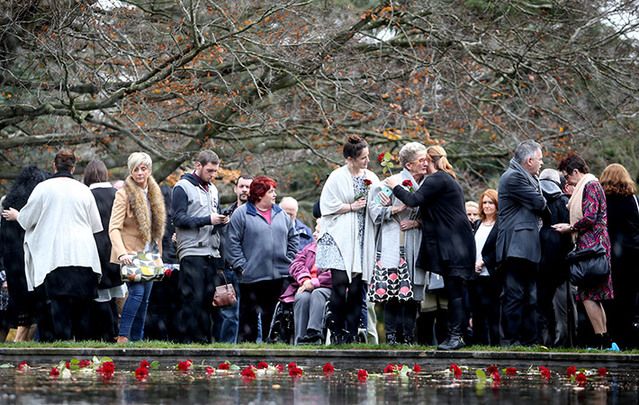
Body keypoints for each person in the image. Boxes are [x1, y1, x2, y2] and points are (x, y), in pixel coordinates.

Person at [2, 150, 103, 341]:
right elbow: (95, 225)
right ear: (73, 168)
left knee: (60, 308)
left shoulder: (43, 188)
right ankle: (83, 357)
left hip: (55, 259)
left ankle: (61, 352)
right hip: (84, 257)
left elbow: (27, 219)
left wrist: (17, 216)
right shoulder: (83, 190)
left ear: (54, 166)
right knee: (82, 312)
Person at [386, 145, 475, 350]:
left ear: (431, 160)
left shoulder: (438, 179)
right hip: (455, 244)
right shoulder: (441, 180)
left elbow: (414, 200)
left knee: (456, 293)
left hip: (456, 245)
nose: (423, 163)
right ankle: (456, 336)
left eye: (425, 159)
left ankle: (456, 336)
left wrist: (394, 186)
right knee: (455, 291)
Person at [317, 135, 378, 344]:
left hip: (362, 237)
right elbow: (326, 206)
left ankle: (352, 332)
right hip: (340, 237)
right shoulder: (337, 177)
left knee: (356, 287)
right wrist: (351, 207)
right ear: (350, 159)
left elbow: (377, 200)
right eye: (363, 158)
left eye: (367, 157)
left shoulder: (370, 176)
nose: (367, 161)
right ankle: (336, 330)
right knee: (340, 283)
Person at [368, 142, 428, 345]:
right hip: (392, 239)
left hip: (416, 239)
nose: (426, 163)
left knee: (413, 292)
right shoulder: (388, 184)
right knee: (393, 292)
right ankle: (392, 337)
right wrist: (395, 209)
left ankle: (409, 336)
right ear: (409, 165)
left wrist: (417, 222)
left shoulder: (428, 184)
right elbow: (374, 212)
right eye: (421, 160)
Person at [225, 176, 298, 342]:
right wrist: (242, 266)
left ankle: (273, 357)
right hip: (251, 278)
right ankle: (246, 360)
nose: (274, 194)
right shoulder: (241, 214)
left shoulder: (281, 214)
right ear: (259, 194)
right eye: (271, 191)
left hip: (278, 277)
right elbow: (232, 243)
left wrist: (290, 259)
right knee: (248, 323)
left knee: (272, 322)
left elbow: (293, 238)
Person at [553, 154, 615, 349]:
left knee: (588, 295)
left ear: (575, 172)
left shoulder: (589, 185)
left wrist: (569, 227)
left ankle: (601, 341)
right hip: (597, 246)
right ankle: (605, 340)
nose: (566, 181)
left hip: (591, 248)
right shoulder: (593, 185)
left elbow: (589, 217)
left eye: (567, 176)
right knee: (595, 295)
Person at [172, 150, 228, 343]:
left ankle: (205, 340)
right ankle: (188, 340)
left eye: (215, 172)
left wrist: (220, 220)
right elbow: (178, 218)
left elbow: (213, 217)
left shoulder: (213, 190)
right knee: (192, 298)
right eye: (209, 170)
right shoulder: (182, 187)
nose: (212, 175)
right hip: (192, 250)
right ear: (198, 166)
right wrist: (208, 219)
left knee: (208, 300)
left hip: (211, 251)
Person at [109, 152, 166, 343]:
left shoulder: (154, 193)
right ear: (130, 171)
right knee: (137, 292)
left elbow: (157, 228)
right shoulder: (123, 193)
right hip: (131, 254)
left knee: (145, 298)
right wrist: (121, 253)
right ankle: (123, 336)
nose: (140, 173)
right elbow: (114, 228)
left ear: (149, 170)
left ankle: (137, 339)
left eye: (143, 168)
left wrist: (159, 255)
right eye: (136, 169)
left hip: (150, 253)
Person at [496, 140, 547, 346]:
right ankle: (511, 339)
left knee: (528, 296)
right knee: (515, 295)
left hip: (524, 246)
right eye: (540, 159)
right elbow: (539, 202)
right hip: (516, 246)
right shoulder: (514, 177)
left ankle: (527, 339)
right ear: (529, 160)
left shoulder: (524, 176)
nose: (541, 164)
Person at [0, 166, 48, 341]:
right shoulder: (35, 206)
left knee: (15, 309)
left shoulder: (8, 203)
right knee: (30, 311)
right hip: (29, 263)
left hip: (12, 264)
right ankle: (20, 342)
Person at [83, 160, 127, 341]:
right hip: (116, 249)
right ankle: (114, 333)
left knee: (99, 296)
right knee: (113, 293)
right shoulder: (117, 194)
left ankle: (105, 334)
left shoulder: (85, 195)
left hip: (93, 249)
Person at [600, 163, 639, 348]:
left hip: (610, 254)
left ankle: (611, 337)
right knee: (629, 298)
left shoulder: (603, 201)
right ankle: (629, 338)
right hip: (631, 254)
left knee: (610, 297)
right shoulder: (632, 200)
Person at [279, 219, 332, 344]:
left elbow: (334, 274)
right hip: (306, 285)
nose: (313, 234)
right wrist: (305, 279)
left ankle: (314, 334)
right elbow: (296, 264)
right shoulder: (310, 248)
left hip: (327, 287)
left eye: (318, 231)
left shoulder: (334, 250)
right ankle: (301, 339)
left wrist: (314, 283)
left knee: (317, 293)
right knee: (302, 297)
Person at [538, 168, 574, 347]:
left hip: (541, 261)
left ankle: (545, 340)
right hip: (560, 263)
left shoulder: (537, 202)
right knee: (561, 308)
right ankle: (562, 340)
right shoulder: (564, 202)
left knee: (543, 305)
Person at [215, 174, 253, 343]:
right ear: (235, 188)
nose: (244, 190)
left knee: (252, 314)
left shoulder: (257, 214)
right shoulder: (224, 215)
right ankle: (226, 351)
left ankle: (254, 350)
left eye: (248, 187)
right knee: (228, 314)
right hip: (227, 270)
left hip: (249, 270)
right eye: (242, 186)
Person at [469, 189, 501, 346]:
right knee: (477, 311)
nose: (487, 206)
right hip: (476, 275)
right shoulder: (477, 224)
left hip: (492, 274)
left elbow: (500, 248)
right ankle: (478, 342)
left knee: (493, 311)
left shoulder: (501, 225)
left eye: (491, 202)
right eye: (484, 202)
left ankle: (496, 344)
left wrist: (484, 261)